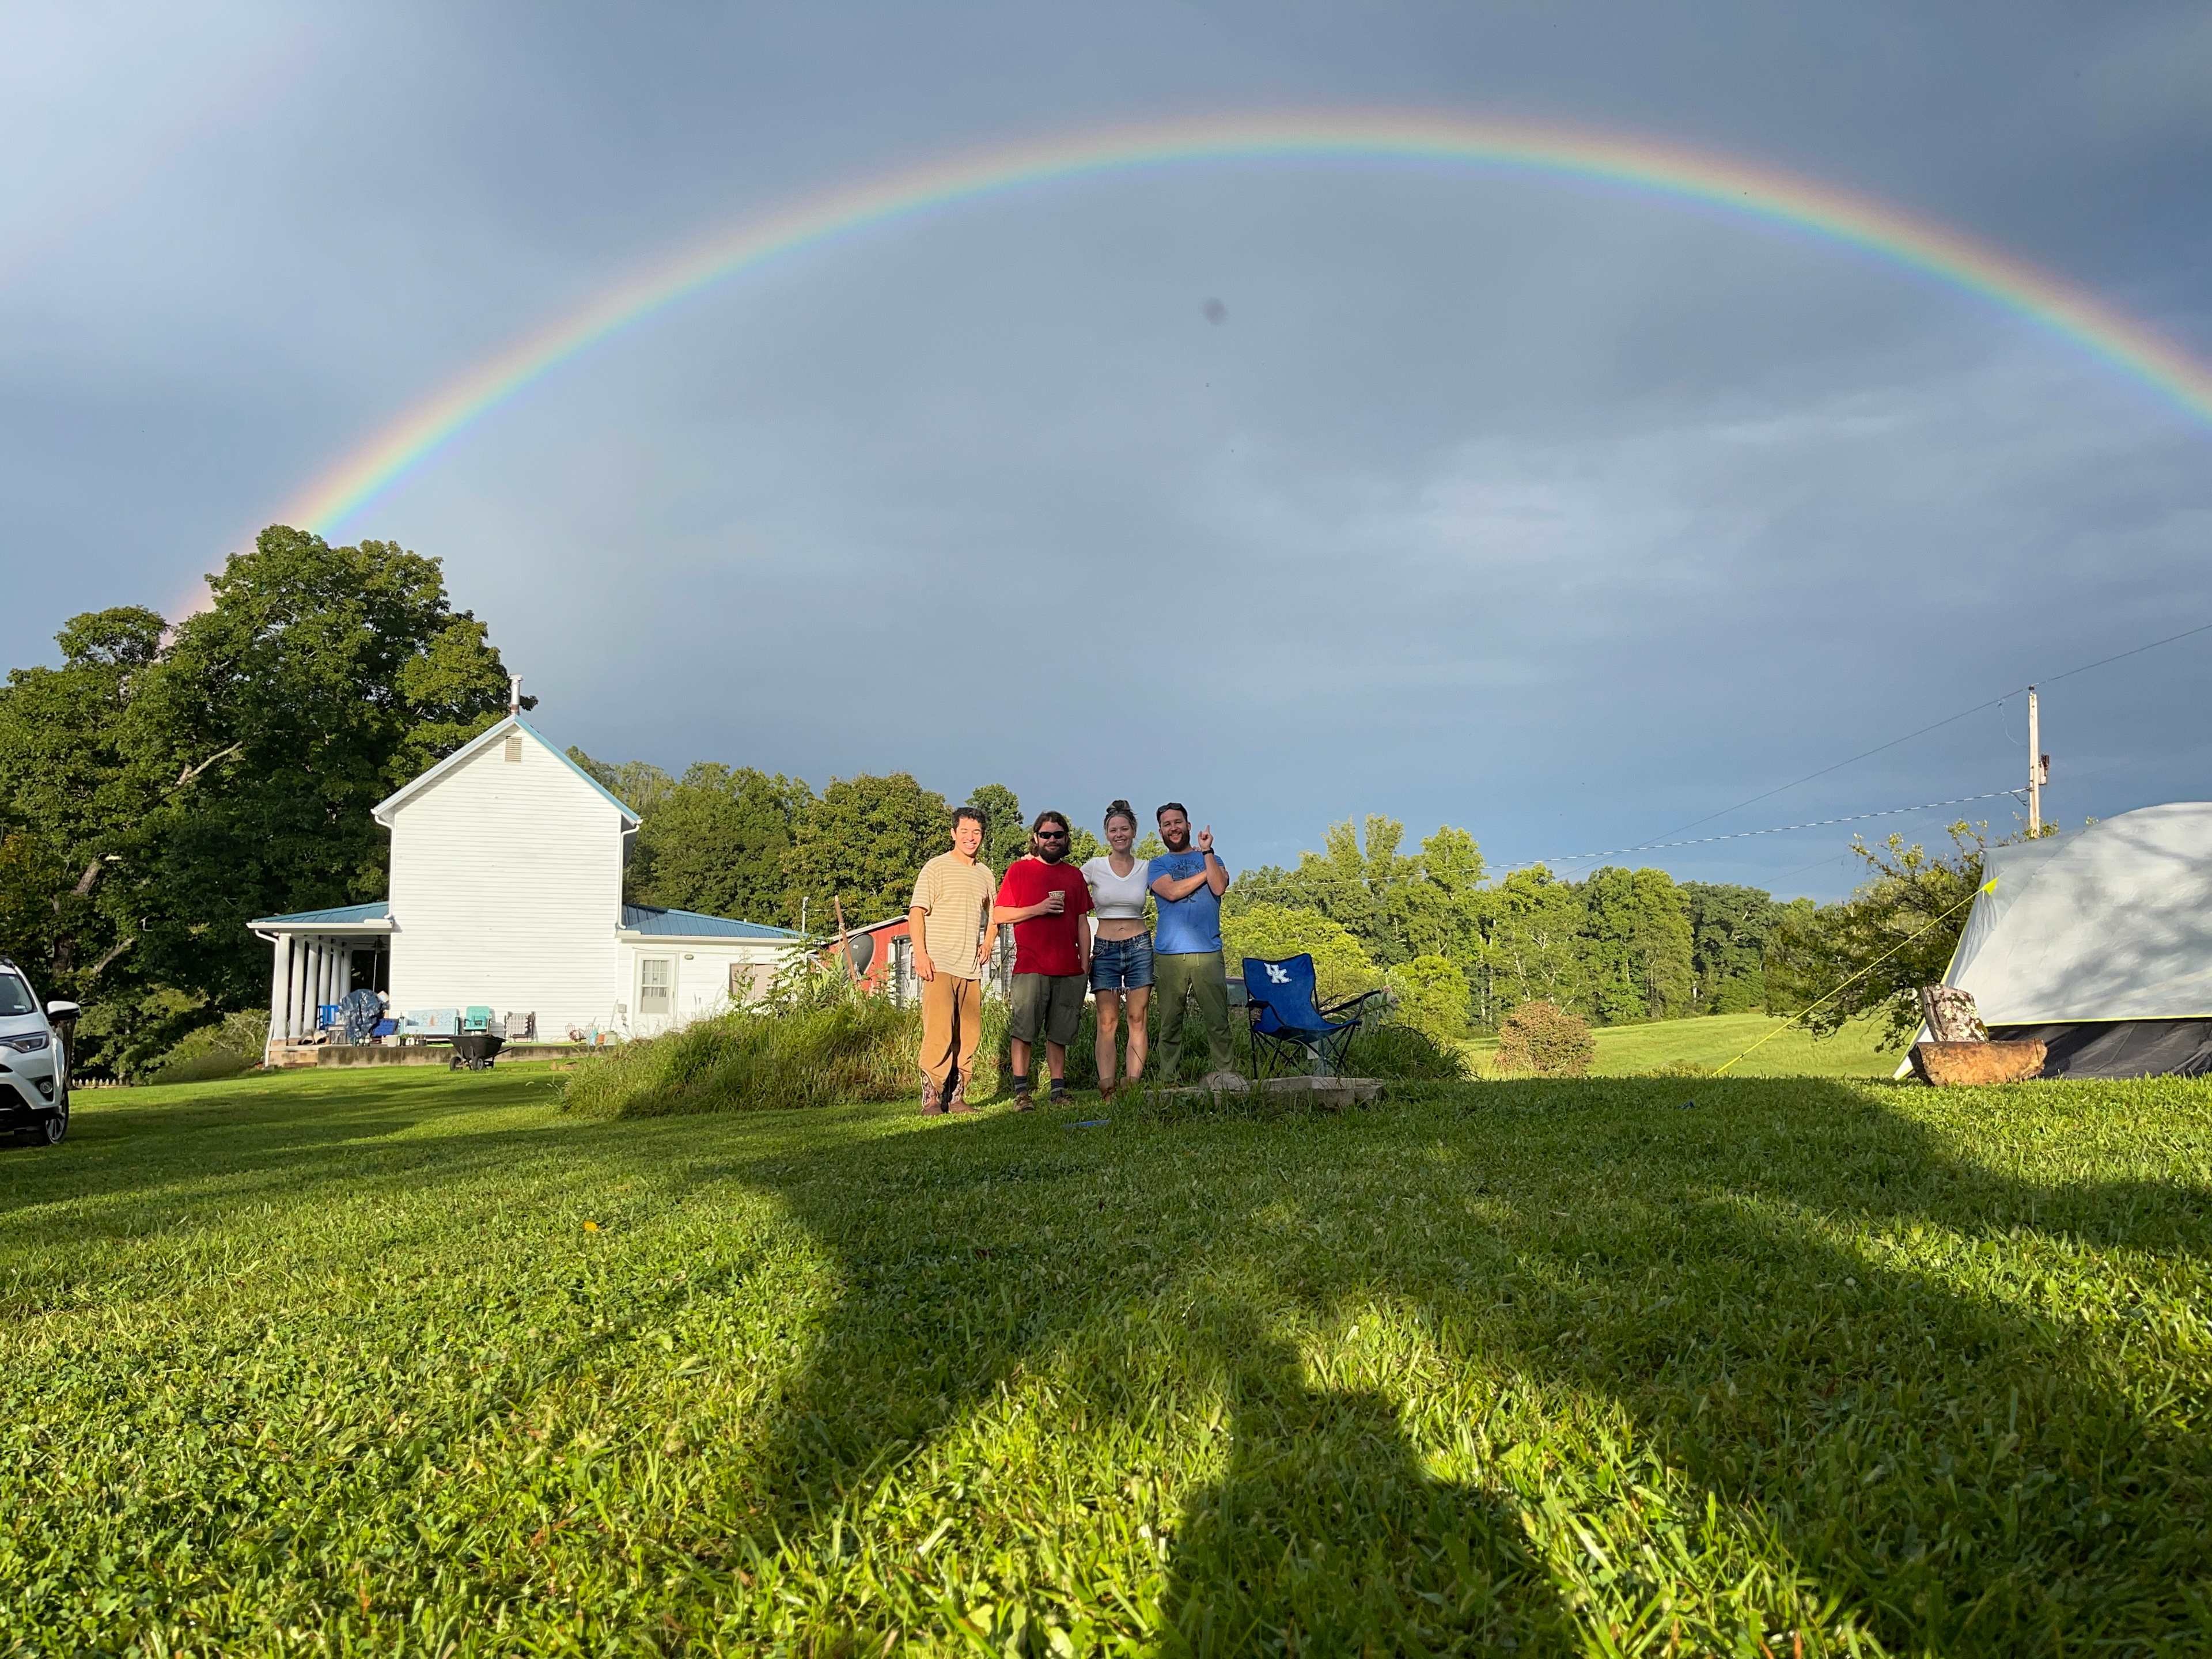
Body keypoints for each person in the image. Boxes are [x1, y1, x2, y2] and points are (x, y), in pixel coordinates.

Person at [992, 810, 1094, 1108]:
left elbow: (1082, 922)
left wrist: (1084, 964)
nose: (1052, 840)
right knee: (1024, 1030)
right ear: (1036, 838)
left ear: (1066, 839)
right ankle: (1021, 1093)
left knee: (1059, 1032)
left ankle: (1057, 1092)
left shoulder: (1074, 875)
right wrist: (1037, 908)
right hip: (1031, 966)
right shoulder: (1019, 871)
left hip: (1068, 967)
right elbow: (1000, 915)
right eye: (1046, 835)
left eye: (1058, 835)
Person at [908, 805, 998, 1115]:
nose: (970, 838)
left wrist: (988, 943)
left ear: (982, 836)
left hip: (970, 968)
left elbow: (995, 915)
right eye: (964, 832)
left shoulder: (986, 874)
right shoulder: (936, 868)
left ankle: (957, 1097)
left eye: (976, 833)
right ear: (953, 834)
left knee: (968, 1034)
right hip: (939, 963)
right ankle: (931, 1099)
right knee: (939, 1032)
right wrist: (921, 954)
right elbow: (916, 912)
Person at [1148, 801, 1234, 1083]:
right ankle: (1168, 1080)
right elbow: (1171, 892)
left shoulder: (1212, 857)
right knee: (1170, 1023)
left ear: (1188, 825)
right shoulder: (1157, 864)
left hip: (1208, 951)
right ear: (1161, 830)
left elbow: (1219, 886)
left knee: (1218, 1021)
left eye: (1178, 822)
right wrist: (1205, 875)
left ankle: (1226, 1078)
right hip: (1170, 954)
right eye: (1167, 824)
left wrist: (1208, 852)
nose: (1173, 828)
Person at [1081, 800, 1152, 1097]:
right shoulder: (1094, 867)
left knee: (1138, 1018)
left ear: (1134, 831)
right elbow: (1068, 891)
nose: (1119, 834)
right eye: (1114, 830)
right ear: (1106, 834)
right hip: (1105, 948)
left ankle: (1133, 1084)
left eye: (1124, 829)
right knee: (1107, 1020)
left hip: (1139, 946)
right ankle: (1107, 1087)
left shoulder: (1147, 868)